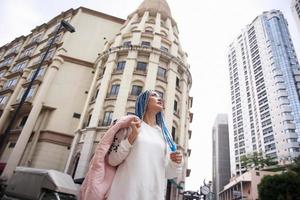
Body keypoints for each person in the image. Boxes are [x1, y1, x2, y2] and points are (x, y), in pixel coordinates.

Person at [106, 90, 183, 200]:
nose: (159, 98)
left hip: (153, 195)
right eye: (154, 95)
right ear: (144, 101)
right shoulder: (130, 125)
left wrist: (175, 162)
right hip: (125, 193)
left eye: (160, 96)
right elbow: (112, 160)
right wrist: (132, 136)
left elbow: (168, 173)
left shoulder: (164, 135)